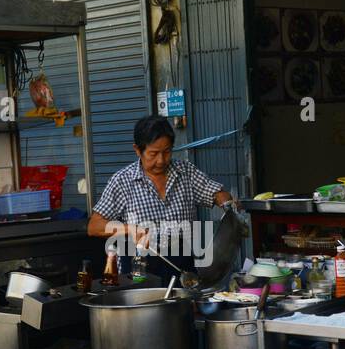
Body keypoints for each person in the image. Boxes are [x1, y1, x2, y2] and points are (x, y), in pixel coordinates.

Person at [88, 115, 236, 272]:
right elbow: (94, 226)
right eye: (153, 153)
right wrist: (130, 229)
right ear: (138, 150)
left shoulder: (186, 172)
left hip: (181, 265)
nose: (161, 160)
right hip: (139, 266)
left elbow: (215, 192)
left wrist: (227, 204)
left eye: (166, 152)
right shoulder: (122, 181)